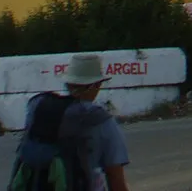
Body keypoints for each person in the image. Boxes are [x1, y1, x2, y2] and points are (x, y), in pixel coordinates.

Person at [8, 52, 131, 191]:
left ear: (68, 83)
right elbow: (116, 179)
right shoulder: (100, 120)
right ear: (95, 85)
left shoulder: (38, 107)